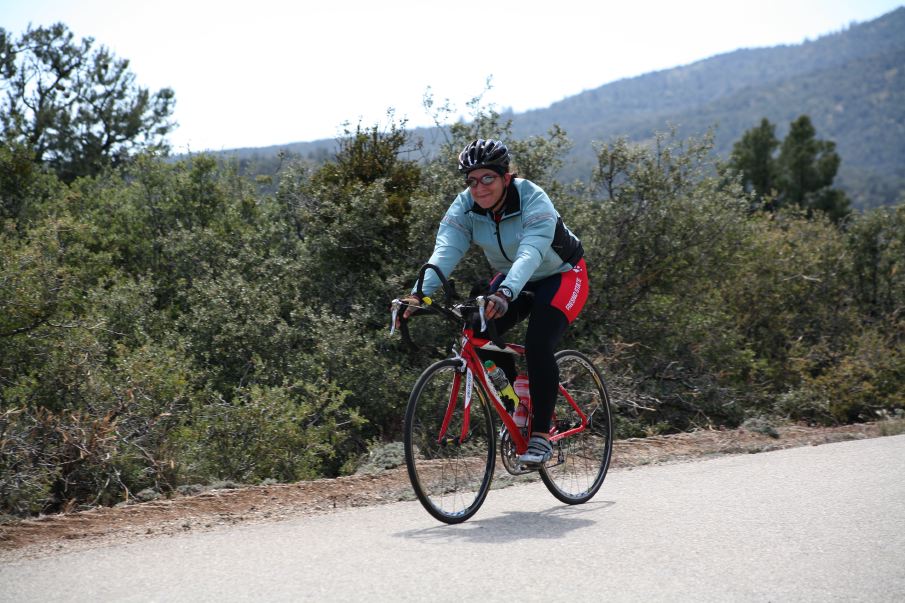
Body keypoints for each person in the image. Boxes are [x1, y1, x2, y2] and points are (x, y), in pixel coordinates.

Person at [400, 138, 589, 465]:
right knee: (478, 332)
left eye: (487, 177)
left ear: (506, 177)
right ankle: (519, 399)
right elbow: (446, 251)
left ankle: (541, 436)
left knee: (538, 343)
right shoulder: (465, 207)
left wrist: (504, 293)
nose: (479, 187)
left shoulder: (533, 199)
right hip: (512, 277)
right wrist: (420, 293)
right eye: (472, 180)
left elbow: (531, 252)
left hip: (561, 274)